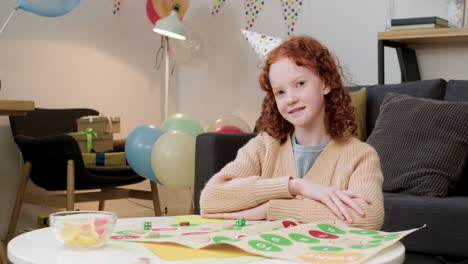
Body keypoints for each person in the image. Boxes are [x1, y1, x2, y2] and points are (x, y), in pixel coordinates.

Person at [200, 35, 384, 230]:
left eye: (300, 84)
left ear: (326, 83)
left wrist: (270, 209)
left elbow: (368, 218)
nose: (290, 99)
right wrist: (294, 186)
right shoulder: (263, 147)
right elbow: (211, 199)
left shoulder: (361, 156)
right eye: (280, 92)